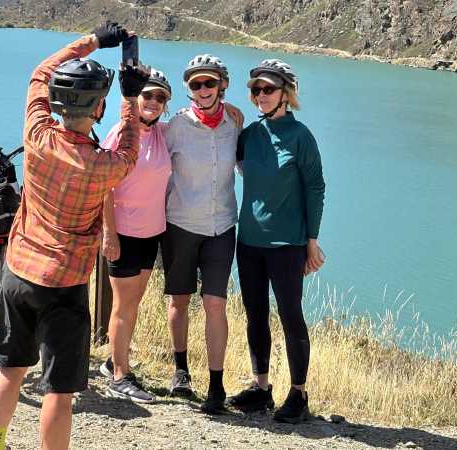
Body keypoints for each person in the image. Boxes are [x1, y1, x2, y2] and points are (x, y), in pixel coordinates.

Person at [0, 22, 149, 450]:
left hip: (18, 272)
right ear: (98, 110)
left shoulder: (37, 135)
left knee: (9, 369)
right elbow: (130, 147)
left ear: (57, 101)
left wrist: (93, 40)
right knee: (58, 391)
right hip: (64, 285)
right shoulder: (104, 166)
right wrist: (131, 97)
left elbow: (41, 71)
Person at [225, 59, 326, 424]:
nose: (261, 96)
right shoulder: (250, 134)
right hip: (248, 241)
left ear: (286, 94)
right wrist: (228, 114)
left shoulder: (301, 137)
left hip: (287, 245)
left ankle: (298, 393)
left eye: (268, 89)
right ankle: (261, 388)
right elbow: (222, 152)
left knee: (290, 316)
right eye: (256, 90)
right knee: (254, 315)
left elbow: (316, 188)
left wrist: (311, 242)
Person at [161, 53, 242, 414]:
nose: (204, 89)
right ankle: (180, 372)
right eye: (197, 84)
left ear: (222, 85)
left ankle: (216, 385)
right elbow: (152, 162)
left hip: (222, 227)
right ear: (189, 90)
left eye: (210, 82)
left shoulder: (235, 125)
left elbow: (249, 166)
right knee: (179, 300)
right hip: (179, 225)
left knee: (215, 304)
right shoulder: (176, 126)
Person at [97, 68, 173, 403]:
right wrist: (109, 233)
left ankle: (114, 360)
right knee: (124, 306)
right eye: (147, 95)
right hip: (124, 234)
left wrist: (229, 110)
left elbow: (198, 122)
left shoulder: (160, 134)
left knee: (133, 303)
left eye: (160, 97)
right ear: (135, 98)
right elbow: (103, 187)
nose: (153, 102)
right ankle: (119, 377)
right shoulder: (121, 134)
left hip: (151, 233)